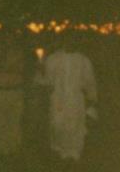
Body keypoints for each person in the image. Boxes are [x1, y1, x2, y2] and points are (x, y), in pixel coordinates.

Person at [38, 34, 97, 162]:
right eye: (67, 39)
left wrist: (91, 102)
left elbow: (90, 83)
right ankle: (60, 157)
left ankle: (73, 160)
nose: (70, 41)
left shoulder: (83, 60)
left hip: (76, 100)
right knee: (58, 125)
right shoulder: (53, 59)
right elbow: (47, 81)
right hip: (58, 100)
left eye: (73, 39)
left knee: (75, 127)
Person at [0, 30, 26, 157]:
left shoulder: (20, 53)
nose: (8, 41)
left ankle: (13, 149)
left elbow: (21, 68)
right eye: (6, 38)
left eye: (11, 38)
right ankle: (0, 149)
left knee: (14, 120)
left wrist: (8, 67)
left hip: (15, 91)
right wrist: (4, 63)